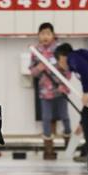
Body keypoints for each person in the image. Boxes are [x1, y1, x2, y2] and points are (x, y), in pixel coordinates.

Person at [29, 22, 71, 160]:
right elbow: (32, 72)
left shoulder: (60, 48)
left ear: (53, 34)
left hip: (60, 90)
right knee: (46, 119)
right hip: (44, 92)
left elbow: (69, 68)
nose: (45, 36)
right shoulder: (35, 51)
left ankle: (69, 147)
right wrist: (39, 68)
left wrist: (65, 85)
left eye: (48, 33)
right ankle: (48, 150)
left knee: (64, 117)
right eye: (42, 33)